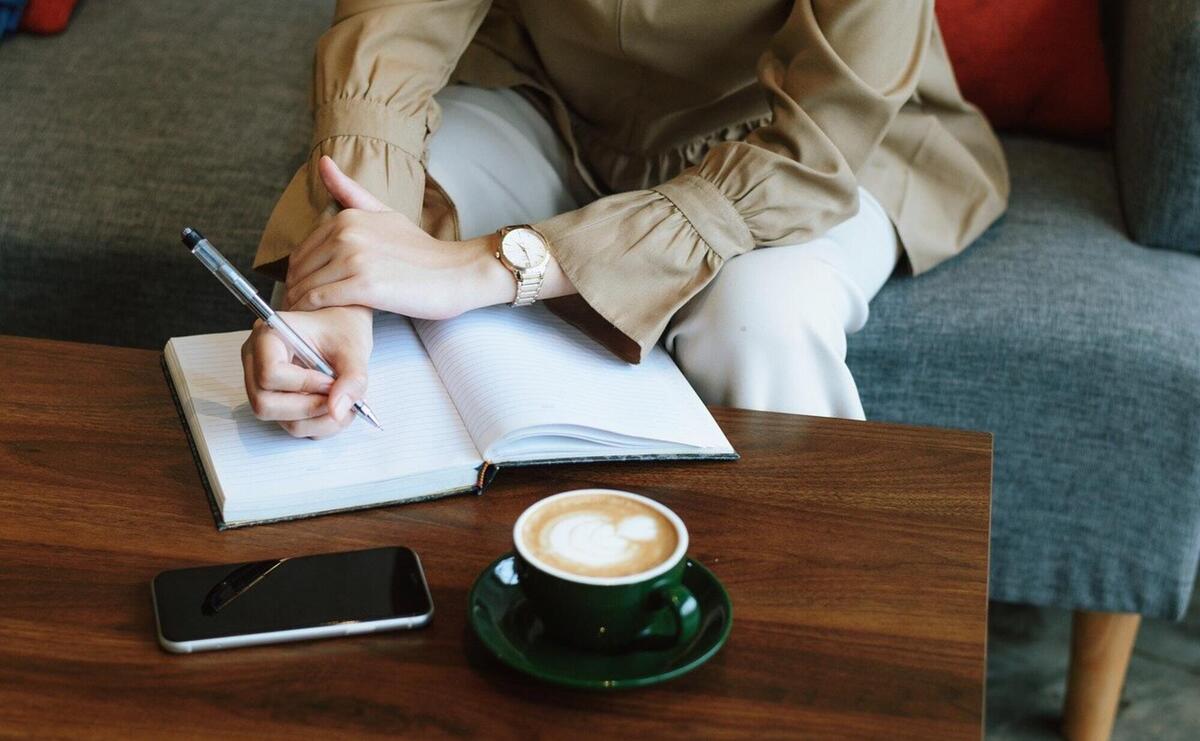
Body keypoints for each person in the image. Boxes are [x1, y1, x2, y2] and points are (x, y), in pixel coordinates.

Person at [242, 0, 1008, 439]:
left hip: (801, 142)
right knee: (391, 232)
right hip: (552, 104)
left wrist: (500, 263)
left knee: (760, 318)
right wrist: (341, 293)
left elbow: (816, 145)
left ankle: (807, 641)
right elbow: (392, 36)